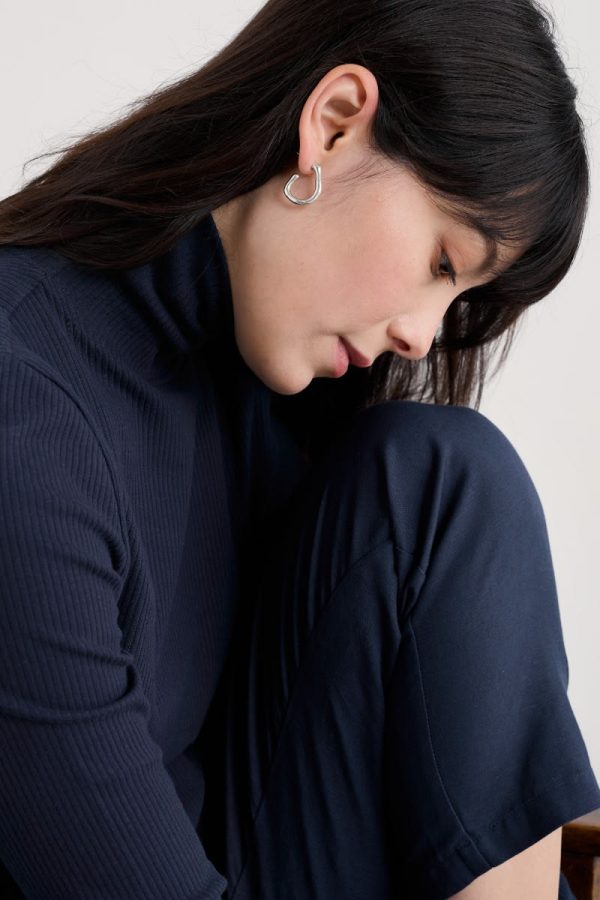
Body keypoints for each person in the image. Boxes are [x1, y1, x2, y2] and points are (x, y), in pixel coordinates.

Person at [0, 0, 598, 897]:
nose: (423, 338)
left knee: (445, 477)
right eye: (443, 262)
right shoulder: (25, 408)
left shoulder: (274, 408)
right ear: (334, 122)